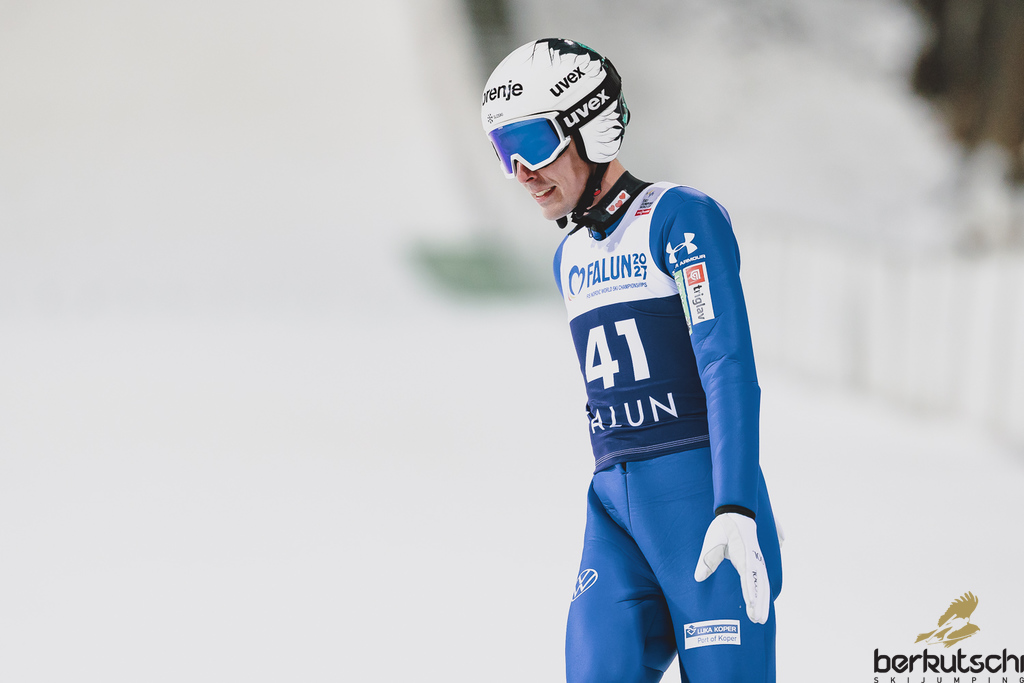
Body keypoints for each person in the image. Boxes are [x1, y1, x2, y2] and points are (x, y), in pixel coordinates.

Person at [480, 39, 784, 683]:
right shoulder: (570, 257)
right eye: (504, 151)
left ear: (592, 127)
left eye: (533, 143)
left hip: (706, 514)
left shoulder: (680, 218)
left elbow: (727, 364)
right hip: (615, 515)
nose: (522, 172)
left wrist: (736, 504)